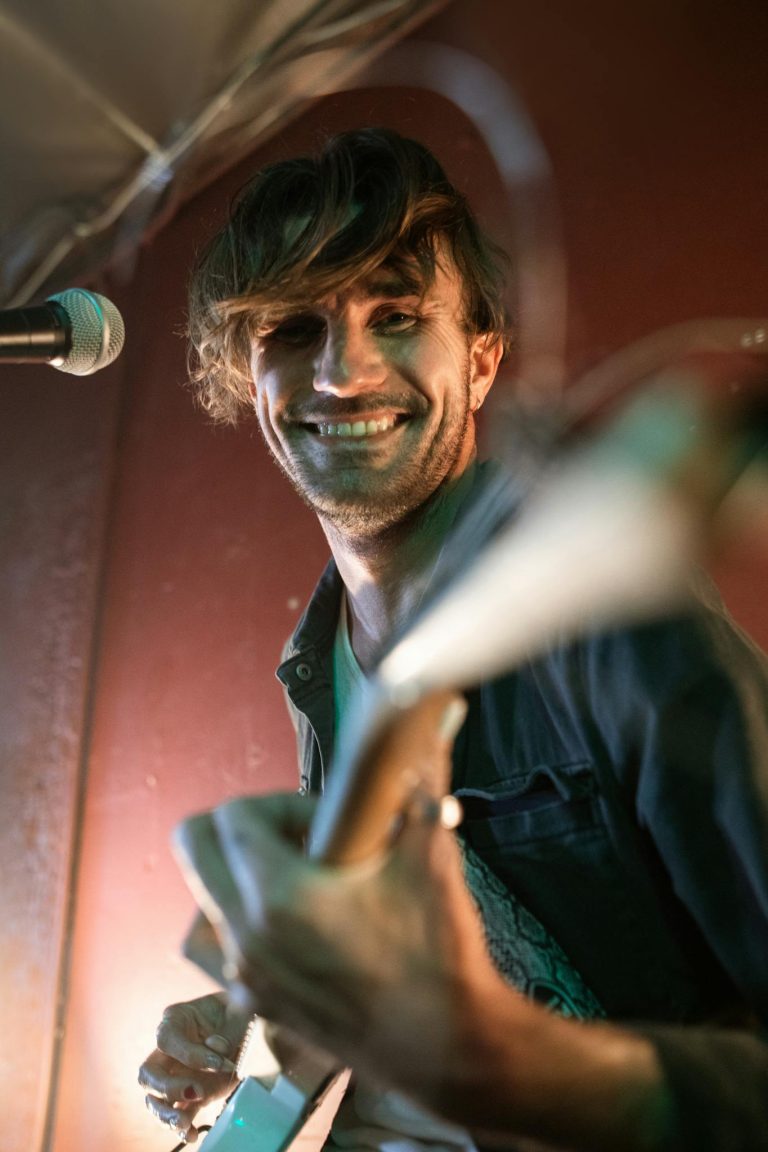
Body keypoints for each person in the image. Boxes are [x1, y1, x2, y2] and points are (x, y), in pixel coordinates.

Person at [139, 128, 768, 1150]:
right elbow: (425, 967)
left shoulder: (615, 632)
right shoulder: (321, 666)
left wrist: (499, 1067)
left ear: (481, 357)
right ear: (243, 374)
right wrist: (260, 1026)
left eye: (395, 315)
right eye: (294, 328)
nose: (342, 374)